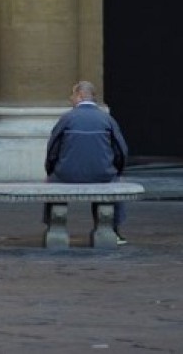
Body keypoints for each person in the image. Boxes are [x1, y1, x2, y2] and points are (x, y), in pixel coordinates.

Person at [44, 80, 130, 243]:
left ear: (80, 95)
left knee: (52, 182)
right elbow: (121, 150)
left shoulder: (67, 118)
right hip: (102, 174)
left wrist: (50, 171)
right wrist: (117, 171)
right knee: (113, 182)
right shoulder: (107, 119)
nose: (70, 98)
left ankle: (52, 227)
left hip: (67, 175)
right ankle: (114, 230)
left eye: (72, 94)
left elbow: (52, 150)